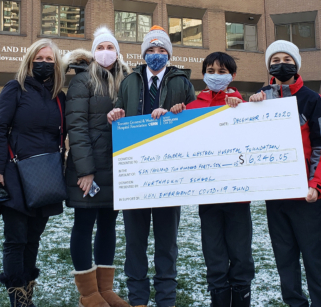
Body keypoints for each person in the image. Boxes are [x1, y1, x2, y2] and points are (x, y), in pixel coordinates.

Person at [107, 25, 195, 307]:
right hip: (136, 173)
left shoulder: (182, 81)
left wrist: (179, 114)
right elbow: (119, 111)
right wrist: (114, 114)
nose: (156, 55)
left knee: (167, 243)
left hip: (170, 173)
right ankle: (138, 299)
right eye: (151, 50)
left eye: (161, 50)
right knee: (135, 242)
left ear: (168, 54)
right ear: (144, 54)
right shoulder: (129, 81)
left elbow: (197, 120)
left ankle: (166, 299)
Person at [249, 40, 321, 307]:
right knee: (284, 257)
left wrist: (316, 185)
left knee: (314, 259)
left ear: (296, 64)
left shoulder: (313, 100)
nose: (281, 64)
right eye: (275, 59)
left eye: (287, 59)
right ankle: (294, 303)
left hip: (306, 194)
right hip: (275, 195)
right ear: (268, 66)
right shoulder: (260, 98)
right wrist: (249, 106)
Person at [169, 52, 254, 307]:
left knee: (241, 254)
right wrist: (175, 113)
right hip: (207, 196)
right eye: (211, 71)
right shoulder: (193, 107)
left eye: (222, 71)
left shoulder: (243, 106)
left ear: (233, 75)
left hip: (238, 195)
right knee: (214, 254)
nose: (216, 76)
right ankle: (218, 297)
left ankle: (241, 296)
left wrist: (245, 107)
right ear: (203, 74)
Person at [0, 38, 66, 307]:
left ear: (57, 66)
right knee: (16, 238)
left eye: (50, 60)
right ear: (30, 61)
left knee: (33, 239)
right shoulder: (15, 89)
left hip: (46, 177)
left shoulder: (59, 97)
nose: (44, 64)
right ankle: (17, 298)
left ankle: (27, 294)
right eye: (39, 59)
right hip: (16, 174)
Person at [64, 26, 131, 307]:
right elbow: (76, 128)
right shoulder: (82, 82)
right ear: (94, 52)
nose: (106, 53)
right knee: (83, 224)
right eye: (101, 48)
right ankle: (88, 294)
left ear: (118, 52)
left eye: (110, 48)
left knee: (108, 227)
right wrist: (85, 171)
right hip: (88, 170)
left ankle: (106, 290)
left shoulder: (128, 80)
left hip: (117, 169)